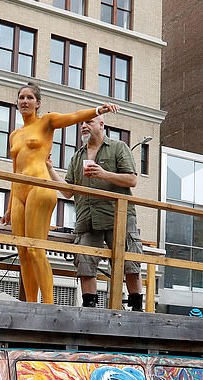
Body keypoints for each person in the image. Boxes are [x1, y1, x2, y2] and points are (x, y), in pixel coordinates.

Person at [2, 82, 120, 304]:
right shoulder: (14, 135)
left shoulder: (46, 122)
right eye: (21, 98)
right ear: (17, 103)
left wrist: (97, 110)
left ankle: (48, 304)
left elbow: (73, 116)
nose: (25, 101)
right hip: (18, 191)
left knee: (36, 249)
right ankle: (30, 303)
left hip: (39, 187)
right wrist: (8, 207)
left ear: (38, 103)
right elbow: (14, 170)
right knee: (23, 252)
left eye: (29, 98)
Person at [46, 111, 143, 310]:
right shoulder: (77, 157)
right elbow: (67, 192)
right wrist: (50, 169)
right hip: (87, 219)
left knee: (130, 262)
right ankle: (90, 308)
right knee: (85, 263)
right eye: (82, 123)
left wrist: (104, 174)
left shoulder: (118, 147)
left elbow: (132, 179)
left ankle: (137, 308)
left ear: (101, 124)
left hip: (117, 216)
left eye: (89, 122)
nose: (84, 126)